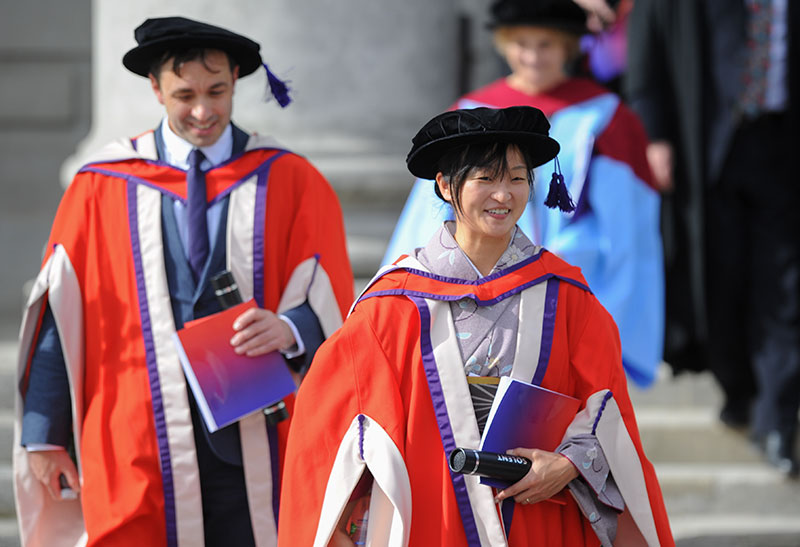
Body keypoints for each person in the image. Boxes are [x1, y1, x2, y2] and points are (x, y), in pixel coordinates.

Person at [13, 16, 354, 546]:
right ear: (155, 88)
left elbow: (333, 297)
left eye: (217, 91)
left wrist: (291, 328)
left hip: (259, 434)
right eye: (184, 94)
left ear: (237, 80)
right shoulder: (100, 186)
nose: (203, 111)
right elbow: (62, 314)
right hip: (138, 427)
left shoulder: (290, 178)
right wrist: (44, 435)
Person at [278, 106, 673, 546]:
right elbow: (332, 433)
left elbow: (607, 410)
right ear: (446, 185)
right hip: (431, 518)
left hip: (535, 515)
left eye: (517, 179)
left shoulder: (567, 297)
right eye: (486, 178)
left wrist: (568, 464)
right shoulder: (392, 306)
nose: (503, 195)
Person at [382, 0, 664, 388]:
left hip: (567, 277)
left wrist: (564, 259)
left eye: (546, 43)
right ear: (504, 44)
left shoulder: (606, 116)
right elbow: (429, 215)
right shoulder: (470, 113)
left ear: (567, 46)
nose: (533, 56)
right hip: (477, 283)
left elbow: (626, 224)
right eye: (521, 43)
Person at [625, 0, 800, 475]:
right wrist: (655, 134)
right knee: (719, 280)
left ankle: (778, 418)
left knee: (784, 287)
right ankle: (740, 388)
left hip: (782, 147)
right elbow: (648, 53)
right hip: (708, 148)